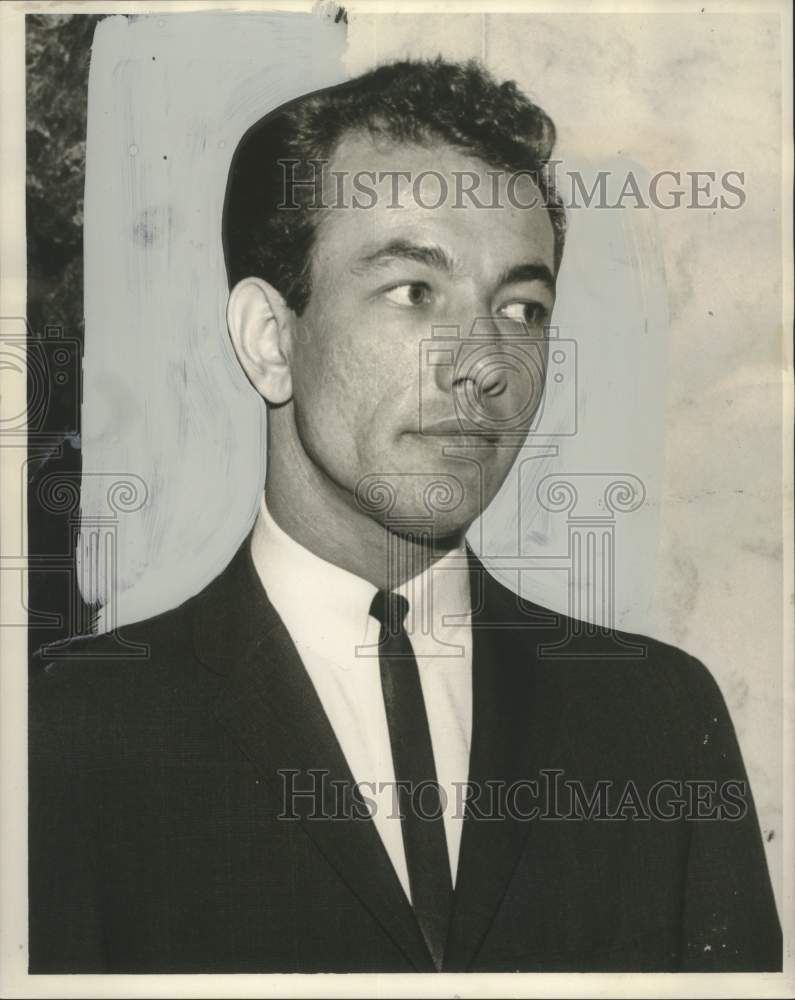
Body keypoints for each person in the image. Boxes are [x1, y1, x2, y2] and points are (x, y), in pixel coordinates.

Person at [28, 57, 781, 974]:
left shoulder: (659, 722)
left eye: (521, 306)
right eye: (414, 292)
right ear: (271, 340)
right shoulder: (63, 734)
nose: (485, 363)